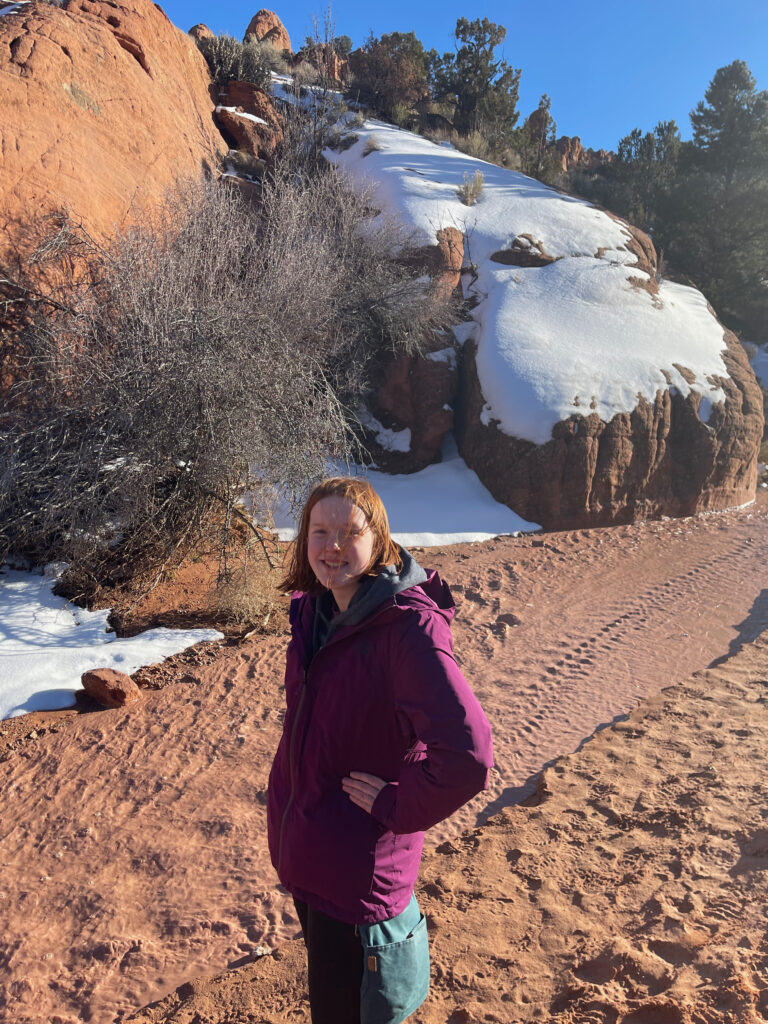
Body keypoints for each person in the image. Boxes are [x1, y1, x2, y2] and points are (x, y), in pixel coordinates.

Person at [267, 477, 493, 1024]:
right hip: (310, 851)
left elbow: (468, 756)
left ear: (380, 541)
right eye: (320, 531)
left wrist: (396, 806)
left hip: (354, 873)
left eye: (350, 532)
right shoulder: (313, 611)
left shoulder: (406, 629)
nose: (332, 546)